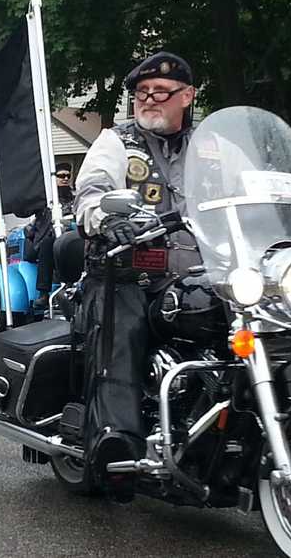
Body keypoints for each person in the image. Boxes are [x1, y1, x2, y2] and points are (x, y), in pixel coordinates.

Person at [73, 51, 199, 498]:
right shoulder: (116, 141)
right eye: (141, 93)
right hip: (130, 273)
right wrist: (106, 218)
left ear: (187, 96)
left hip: (204, 276)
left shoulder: (216, 148)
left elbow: (253, 192)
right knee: (122, 324)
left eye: (160, 93)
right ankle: (117, 444)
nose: (148, 100)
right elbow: (89, 192)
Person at [29, 162, 76, 310]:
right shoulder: (45, 199)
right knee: (48, 244)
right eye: (61, 175)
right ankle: (43, 294)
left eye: (68, 176)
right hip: (47, 240)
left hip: (70, 239)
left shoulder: (75, 198)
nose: (65, 178)